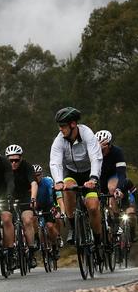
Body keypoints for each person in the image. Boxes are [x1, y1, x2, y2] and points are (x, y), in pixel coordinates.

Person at [50, 107, 103, 250]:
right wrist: (59, 181)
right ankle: (73, 228)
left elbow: (95, 158)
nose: (60, 129)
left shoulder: (87, 134)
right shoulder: (59, 140)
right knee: (67, 188)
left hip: (88, 174)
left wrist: (93, 178)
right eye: (59, 126)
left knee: (92, 207)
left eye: (63, 126)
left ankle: (98, 240)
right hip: (71, 173)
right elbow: (55, 162)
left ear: (73, 124)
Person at [5, 144, 38, 268]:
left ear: (21, 159)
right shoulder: (3, 167)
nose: (13, 163)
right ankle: (10, 253)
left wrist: (33, 198)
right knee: (5, 221)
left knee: (27, 220)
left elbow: (34, 183)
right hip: (8, 197)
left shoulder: (27, 167)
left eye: (16, 160)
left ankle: (31, 254)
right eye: (10, 160)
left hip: (25, 196)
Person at [95, 129, 127, 218]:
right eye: (98, 147)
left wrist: (119, 188)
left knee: (112, 188)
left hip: (113, 176)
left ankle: (116, 220)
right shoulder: (94, 153)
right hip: (100, 178)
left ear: (109, 145)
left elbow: (121, 173)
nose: (101, 150)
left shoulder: (117, 152)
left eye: (103, 147)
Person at [32, 164, 61, 259]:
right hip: (36, 206)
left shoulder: (47, 181)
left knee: (50, 226)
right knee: (37, 224)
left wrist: (54, 206)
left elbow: (51, 194)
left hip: (48, 205)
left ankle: (54, 245)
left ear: (42, 174)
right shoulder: (30, 183)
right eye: (34, 175)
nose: (37, 177)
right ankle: (41, 244)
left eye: (38, 175)